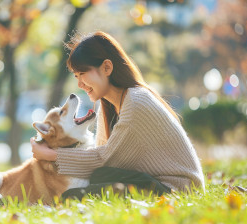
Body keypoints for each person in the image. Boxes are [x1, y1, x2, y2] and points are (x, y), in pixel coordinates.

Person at [30, 31, 205, 199]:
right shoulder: (109, 105)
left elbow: (104, 159)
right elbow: (102, 162)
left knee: (72, 196)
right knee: (99, 176)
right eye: (76, 76)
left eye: (82, 74)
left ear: (107, 67)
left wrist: (51, 155)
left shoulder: (136, 102)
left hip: (177, 191)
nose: (80, 83)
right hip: (154, 183)